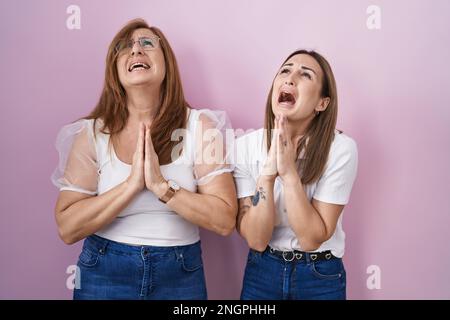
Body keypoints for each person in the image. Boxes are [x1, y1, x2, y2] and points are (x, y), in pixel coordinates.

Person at [51, 18, 237, 300]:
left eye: (147, 43)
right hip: (103, 270)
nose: (136, 50)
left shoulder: (201, 127)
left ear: (167, 63)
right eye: (124, 47)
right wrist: (131, 185)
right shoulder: (91, 133)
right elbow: (68, 228)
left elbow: (224, 219)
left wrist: (162, 187)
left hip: (179, 274)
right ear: (115, 70)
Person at [233, 50, 358, 300]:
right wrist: (267, 177)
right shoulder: (244, 146)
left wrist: (290, 175)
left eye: (305, 75)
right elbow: (257, 240)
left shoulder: (341, 149)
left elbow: (312, 238)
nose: (290, 79)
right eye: (285, 71)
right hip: (262, 272)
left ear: (322, 103)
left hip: (319, 275)